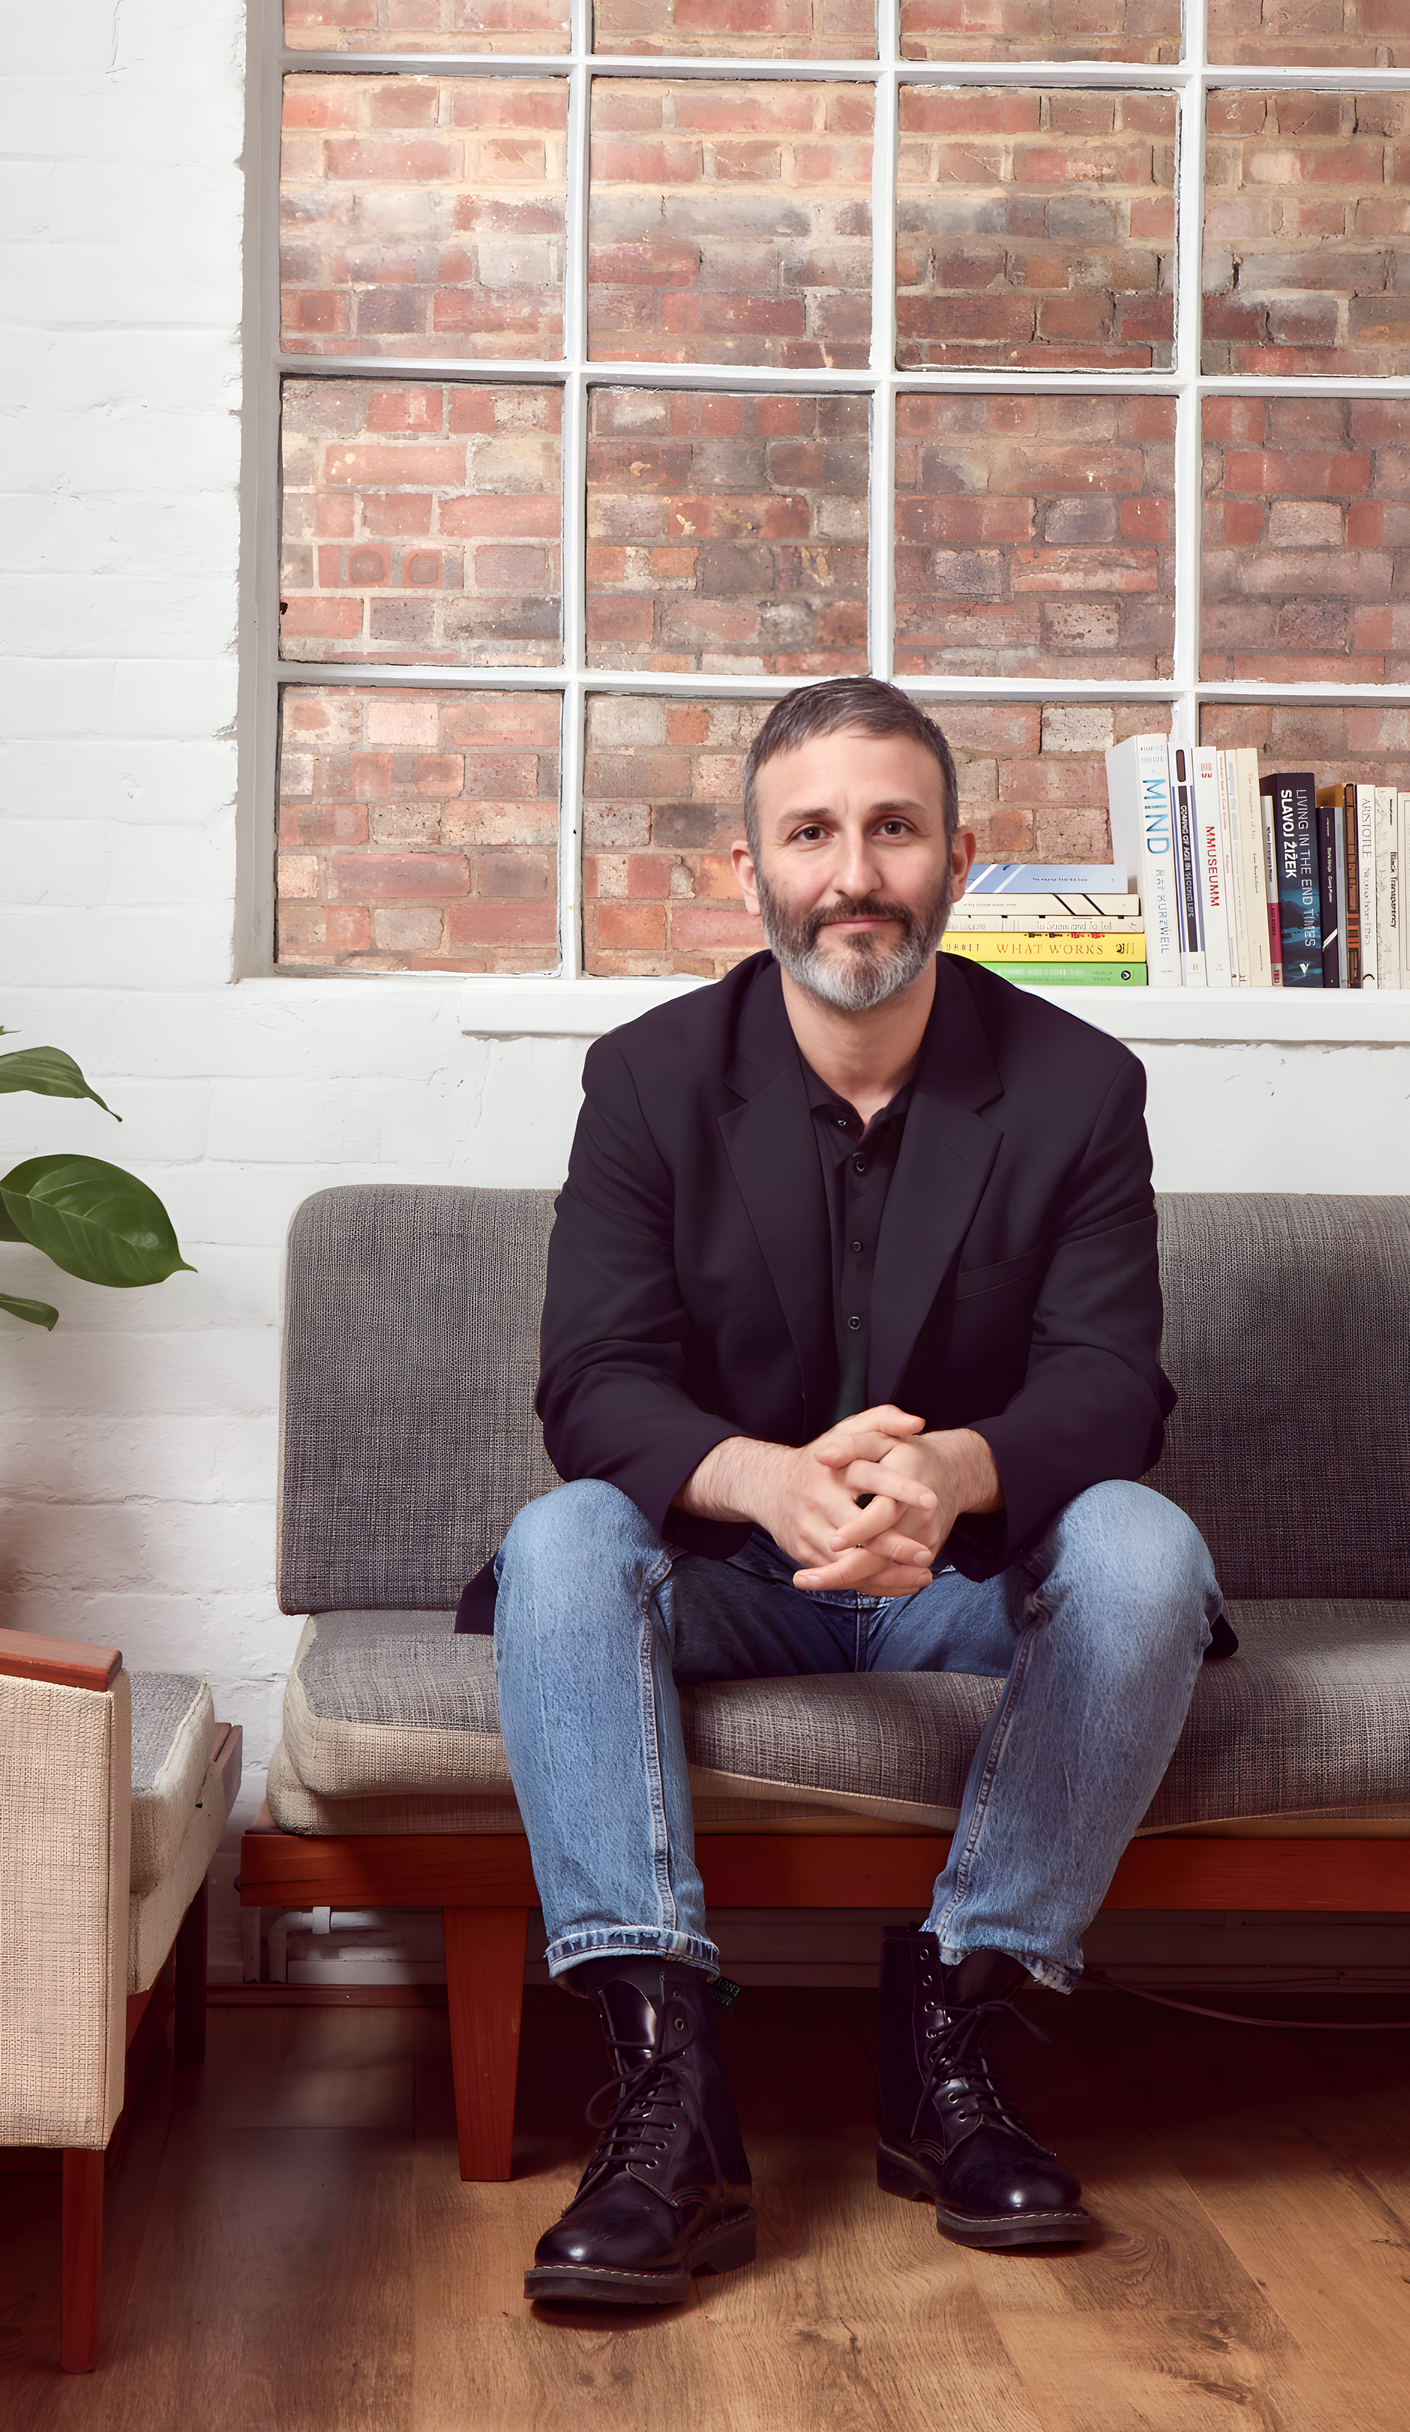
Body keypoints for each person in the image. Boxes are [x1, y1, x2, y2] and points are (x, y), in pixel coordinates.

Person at [460, 676, 1230, 2308]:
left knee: (1149, 1549)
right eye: (812, 831)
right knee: (562, 1539)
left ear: (961, 856)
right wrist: (759, 1478)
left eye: (893, 827)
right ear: (752, 870)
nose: (854, 870)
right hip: (736, 1579)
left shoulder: (1082, 1088)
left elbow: (1114, 1385)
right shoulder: (650, 1080)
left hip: (967, 1583)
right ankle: (669, 2090)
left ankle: (949, 2026)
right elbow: (590, 1381)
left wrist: (951, 1469)